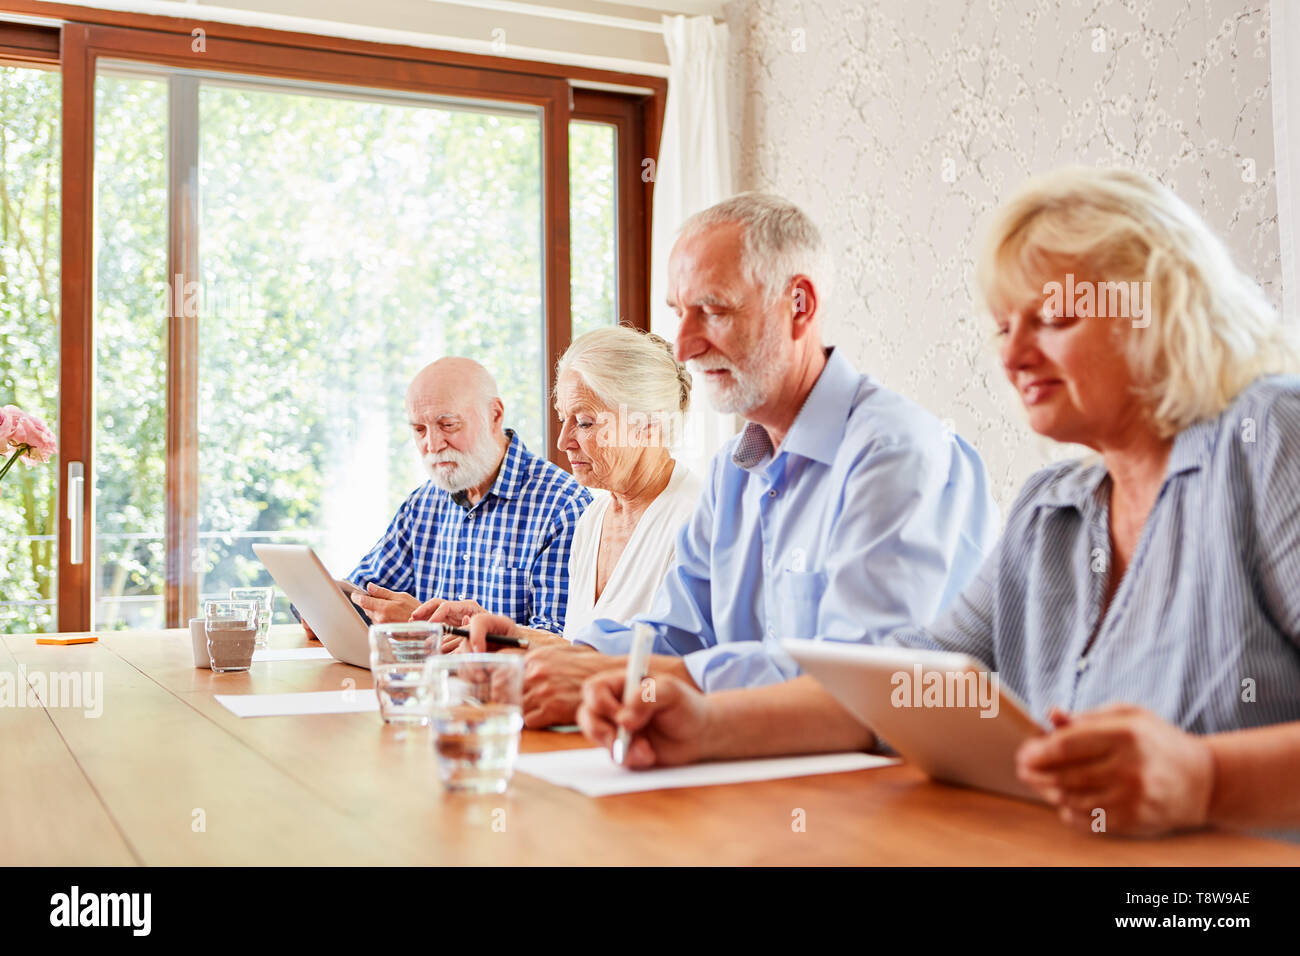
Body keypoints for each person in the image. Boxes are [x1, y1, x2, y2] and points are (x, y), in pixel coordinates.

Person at [579, 167, 1300, 839]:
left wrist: (1206, 779)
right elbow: (906, 686)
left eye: (1050, 318)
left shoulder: (1268, 438)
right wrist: (704, 724)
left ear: (1156, 307)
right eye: (1002, 326)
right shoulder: (1054, 510)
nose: (1013, 355)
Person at [460, 192, 1000, 725]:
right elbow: (679, 634)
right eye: (678, 314)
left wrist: (640, 681)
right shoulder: (734, 470)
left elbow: (860, 687)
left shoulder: (894, 454)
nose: (684, 346)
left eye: (712, 310)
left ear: (800, 305)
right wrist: (540, 655)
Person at [422, 328, 703, 725]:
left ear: (648, 425)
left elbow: (682, 673)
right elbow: (579, 655)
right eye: (563, 419)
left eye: (585, 423)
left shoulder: (699, 520)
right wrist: (505, 636)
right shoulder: (594, 517)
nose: (563, 441)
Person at [313, 356, 591, 636]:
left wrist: (422, 625)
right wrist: (322, 608)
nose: (432, 445)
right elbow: (364, 591)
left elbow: (557, 642)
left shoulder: (562, 507)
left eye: (447, 425)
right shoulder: (423, 505)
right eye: (419, 430)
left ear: (494, 415)